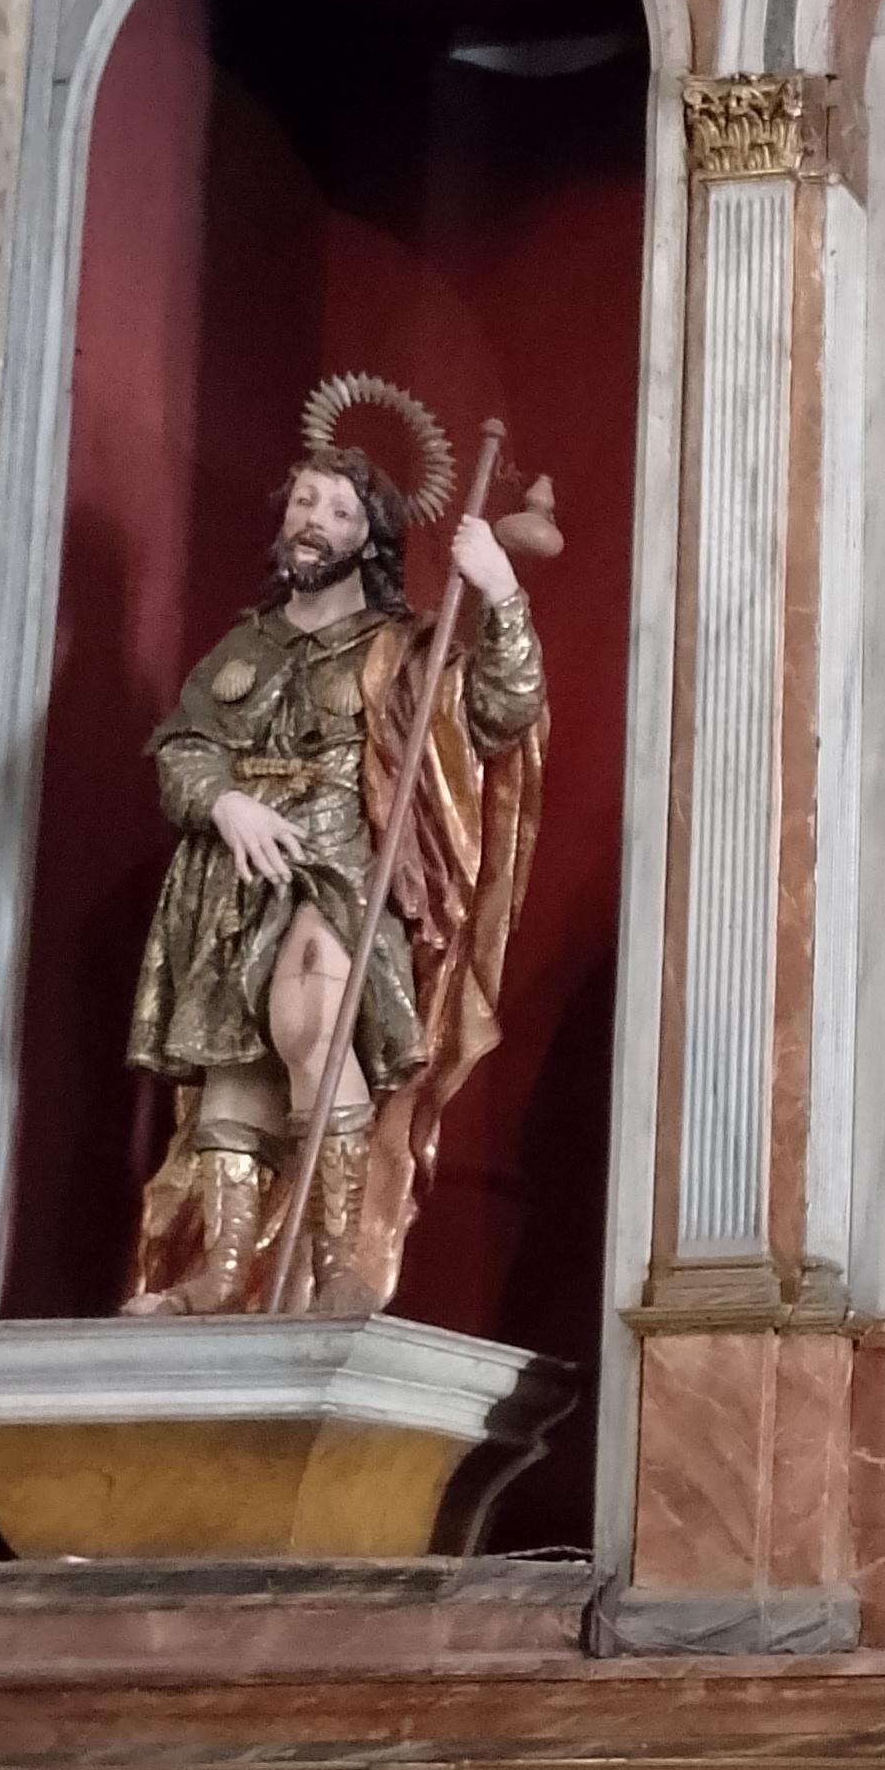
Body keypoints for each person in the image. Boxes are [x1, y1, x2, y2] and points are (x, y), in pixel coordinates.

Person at [123, 383, 545, 1317]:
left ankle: (344, 1260)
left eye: (340, 511)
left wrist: (500, 593)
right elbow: (185, 747)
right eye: (305, 503)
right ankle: (222, 1274)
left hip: (343, 866)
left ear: (371, 538)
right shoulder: (244, 645)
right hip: (235, 873)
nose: (314, 522)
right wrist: (225, 802)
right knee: (234, 1057)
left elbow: (498, 712)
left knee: (313, 1016)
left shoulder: (403, 646)